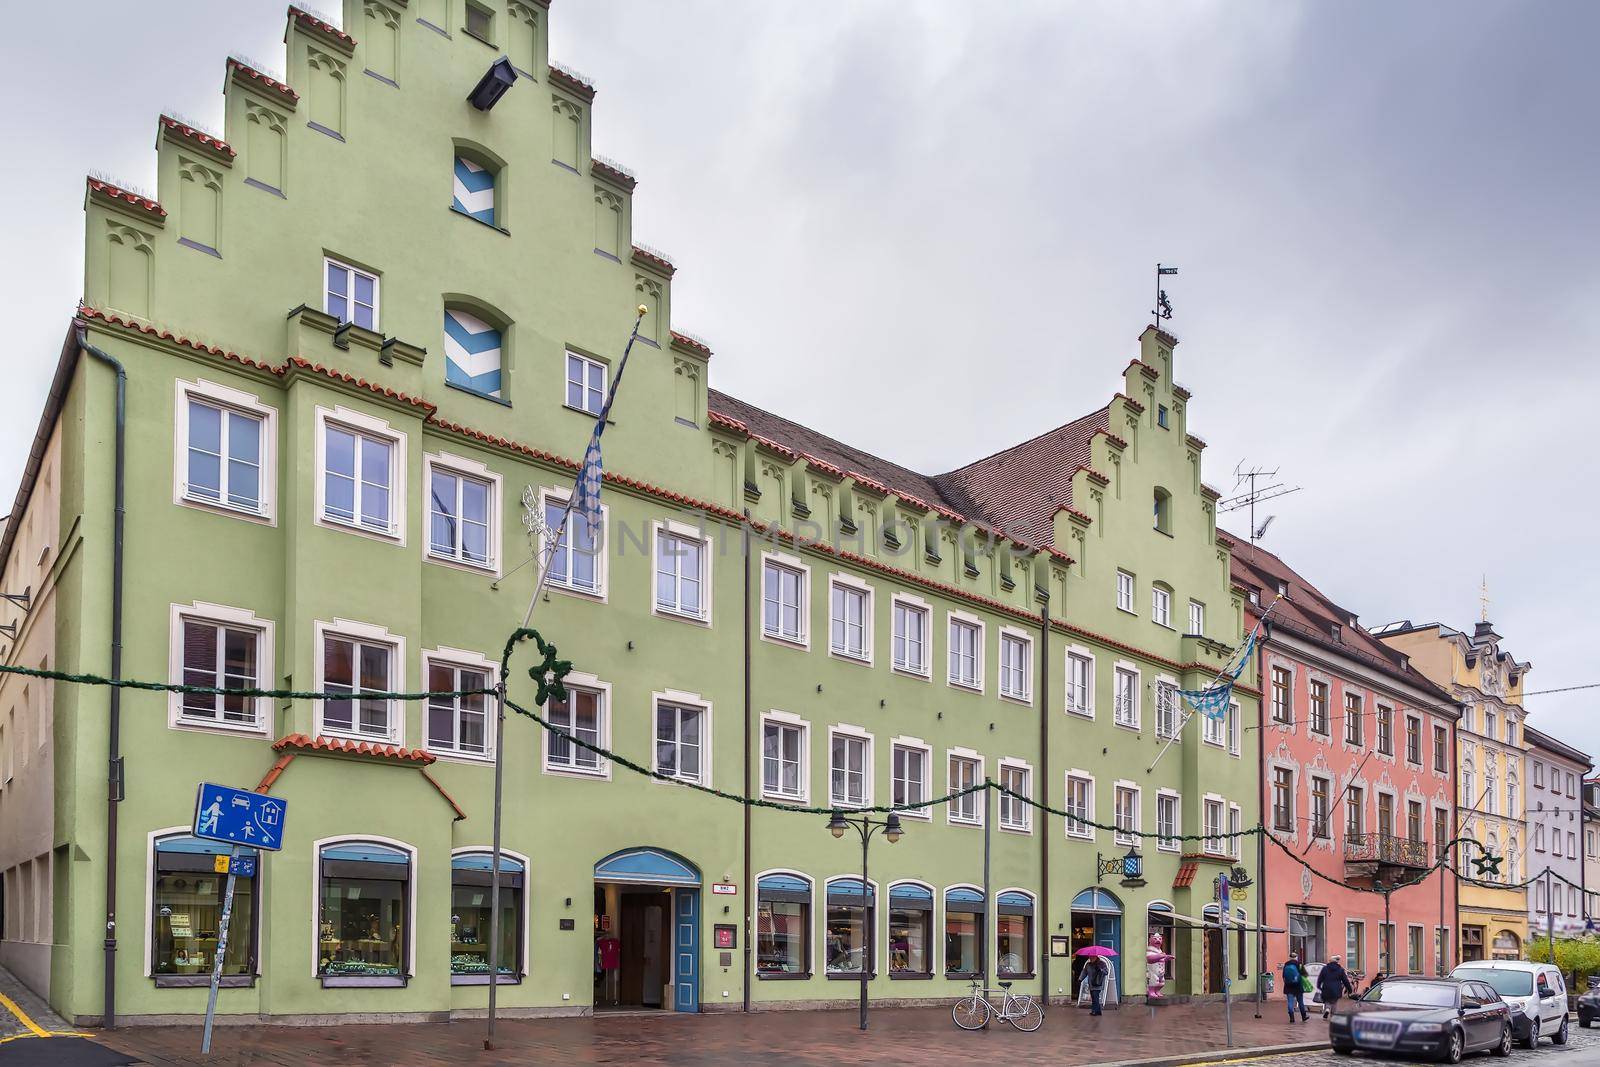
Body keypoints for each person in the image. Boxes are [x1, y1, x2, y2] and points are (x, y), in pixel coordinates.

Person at [1317, 953, 1355, 1018]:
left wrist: (1318, 985)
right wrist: (1350, 990)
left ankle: (1327, 1009)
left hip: (1326, 987)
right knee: (1334, 1002)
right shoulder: (1340, 970)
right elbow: (1345, 981)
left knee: (1327, 1000)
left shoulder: (1325, 968)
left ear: (1330, 961)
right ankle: (1333, 1015)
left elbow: (1320, 978)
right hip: (1336, 989)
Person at [1282, 952, 1309, 1023]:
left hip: (1288, 986)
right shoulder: (1299, 964)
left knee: (1290, 1002)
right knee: (1300, 1002)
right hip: (1298, 986)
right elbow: (1305, 974)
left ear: (1290, 957)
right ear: (1296, 957)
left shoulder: (1286, 964)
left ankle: (1291, 1018)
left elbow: (1283, 976)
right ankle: (1304, 1016)